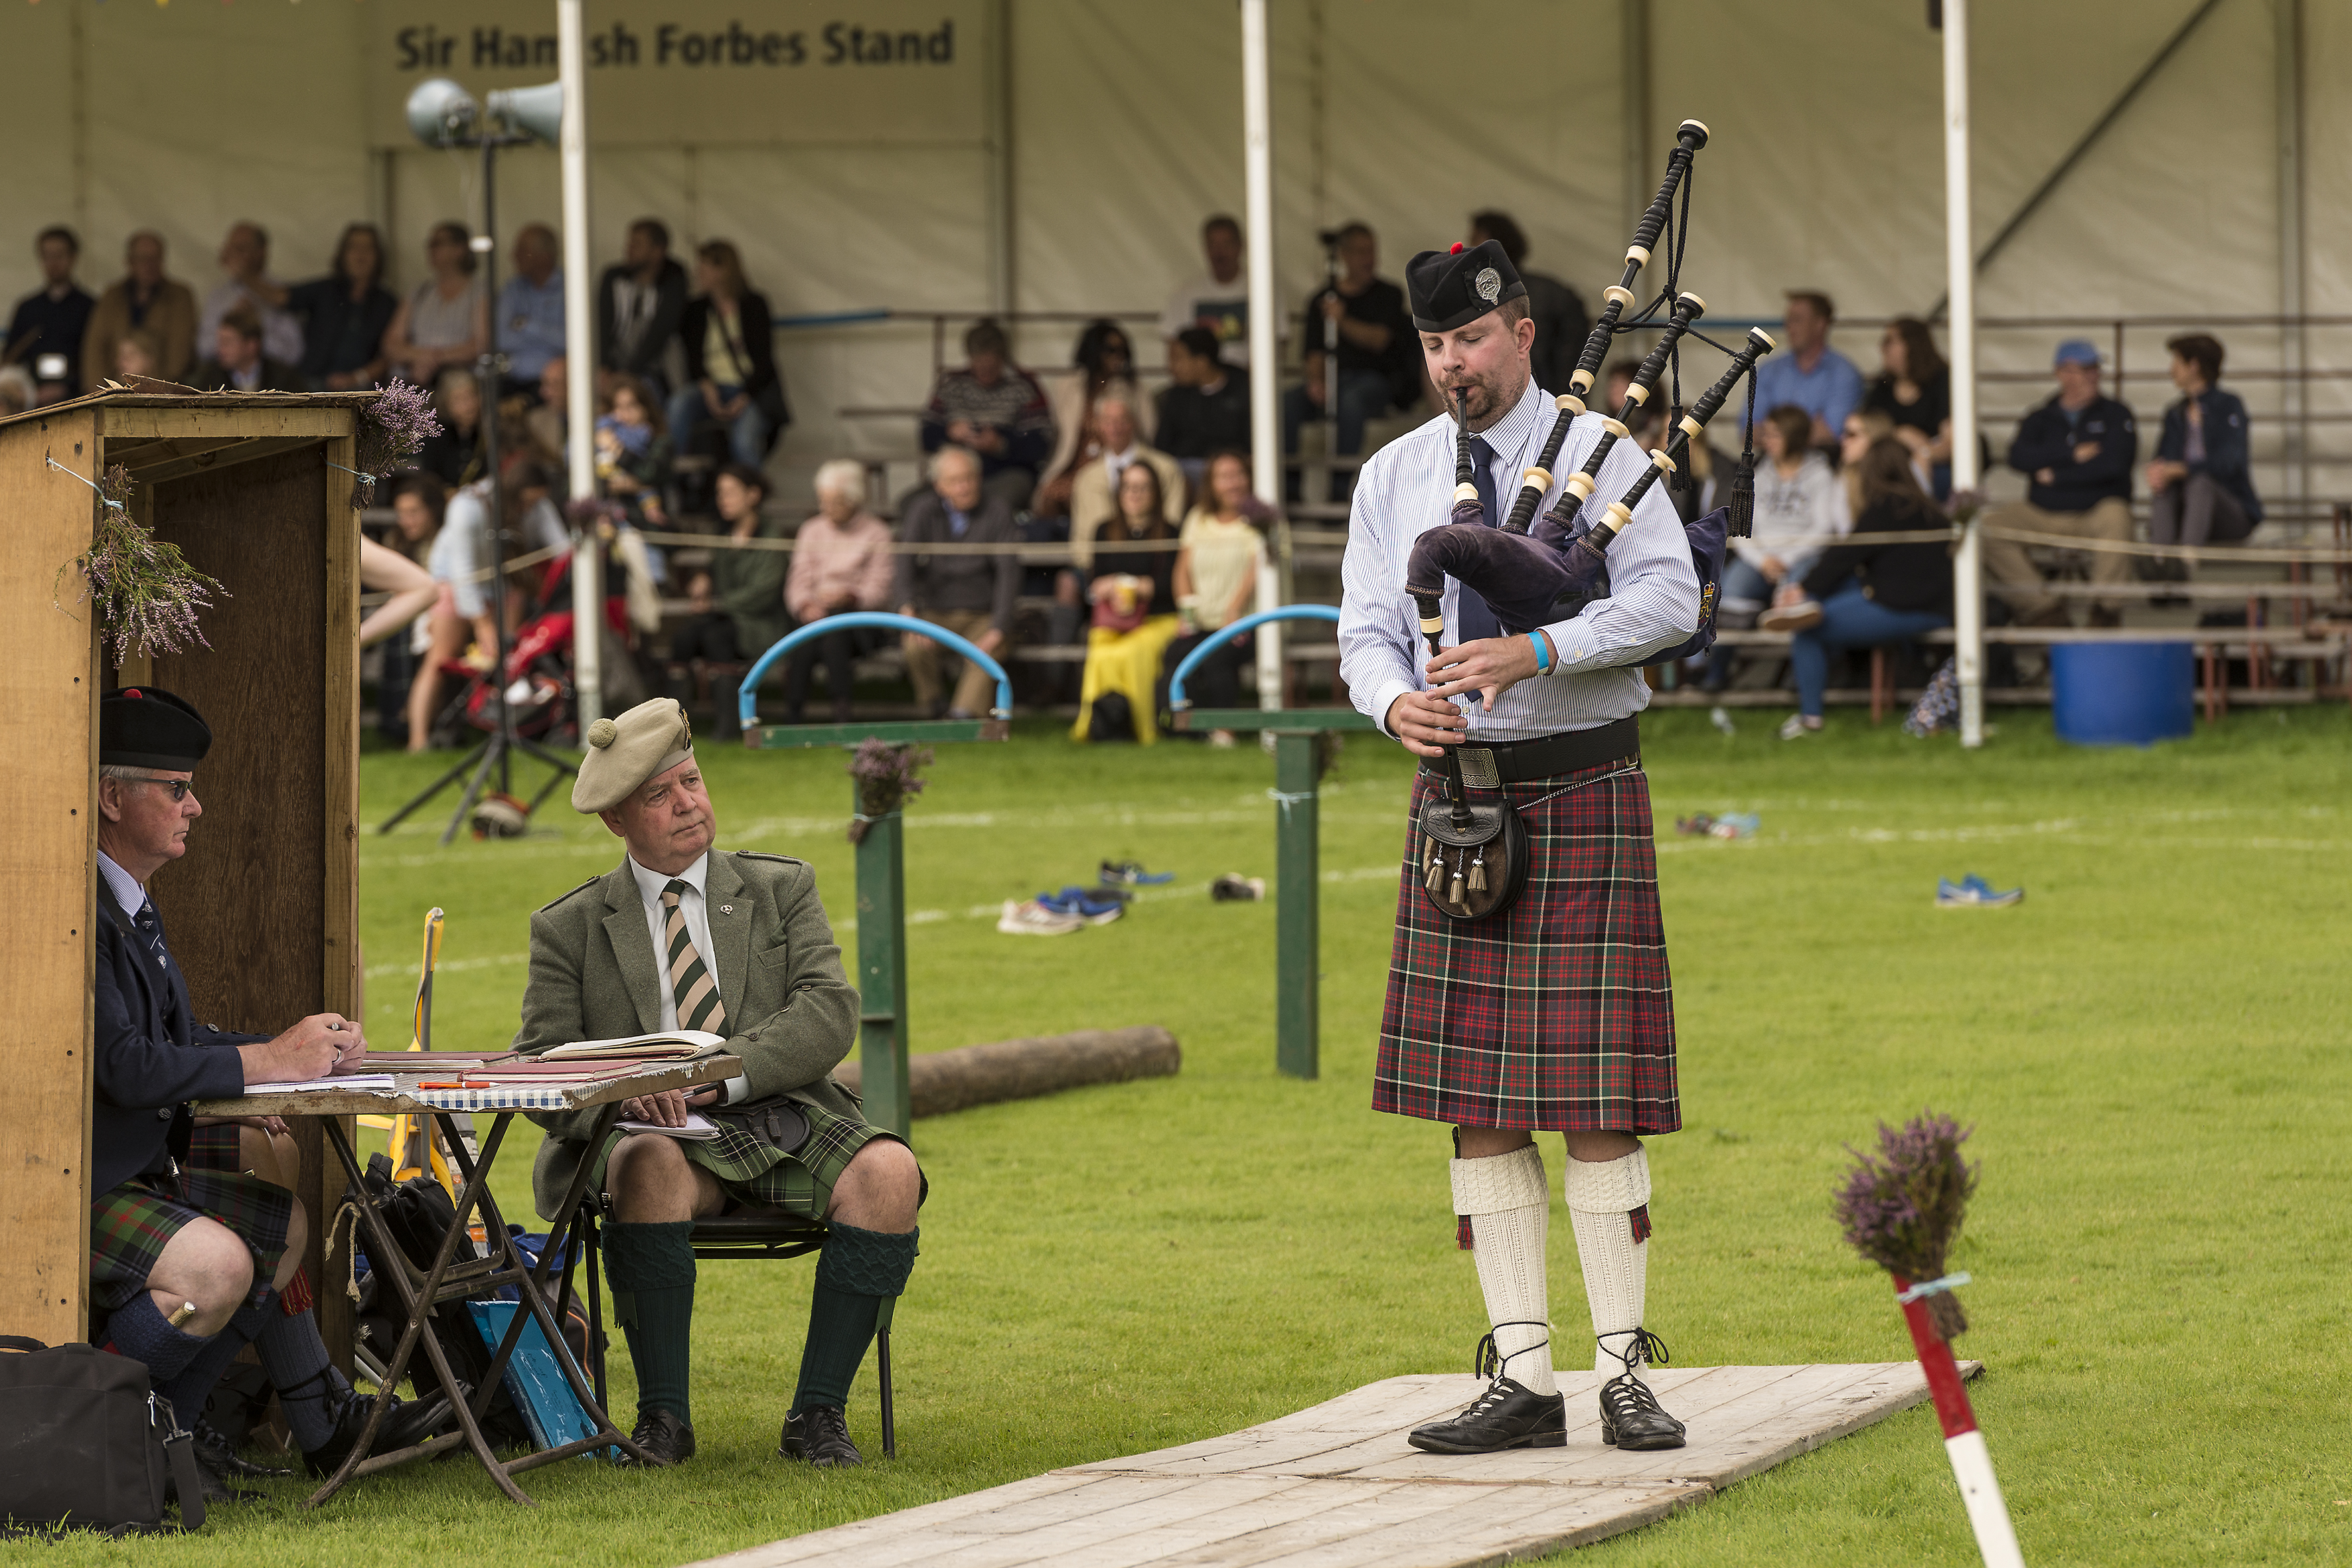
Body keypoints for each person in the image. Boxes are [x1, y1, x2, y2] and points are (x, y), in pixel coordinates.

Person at [1338, 238, 1695, 1458]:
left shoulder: (1606, 459)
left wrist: (1534, 652)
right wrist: (1394, 705)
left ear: (1523, 332)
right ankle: (1521, 1376)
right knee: (1477, 1107)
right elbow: (1362, 632)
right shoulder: (1393, 476)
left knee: (1597, 1103)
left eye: (1471, 343)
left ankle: (1624, 1372)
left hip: (1581, 782)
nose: (1453, 367)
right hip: (1459, 800)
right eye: (1435, 347)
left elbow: (1667, 602)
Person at [517, 698, 923, 1469]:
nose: (687, 804)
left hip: (780, 1115)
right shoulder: (568, 926)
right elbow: (540, 1061)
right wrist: (624, 1092)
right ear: (616, 821)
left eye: (692, 780)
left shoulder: (781, 888)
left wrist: (717, 1075)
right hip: (652, 1137)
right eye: (660, 795)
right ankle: (664, 1419)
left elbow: (830, 1010)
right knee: (645, 1161)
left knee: (891, 1171)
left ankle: (819, 1415)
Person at [87, 687, 452, 1498]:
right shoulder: (82, 909)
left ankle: (181, 1440)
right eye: (176, 788)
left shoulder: (126, 900)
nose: (198, 805)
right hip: (76, 1185)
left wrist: (292, 1048)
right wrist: (266, 1063)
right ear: (113, 797)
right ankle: (106, 1432)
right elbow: (121, 1066)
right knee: (217, 1265)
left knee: (282, 1229)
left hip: (127, 1171)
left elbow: (170, 1043)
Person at [1765, 436, 1954, 738]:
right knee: (1822, 601)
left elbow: (1845, 555)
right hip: (1935, 606)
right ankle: (1803, 604)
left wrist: (1802, 589)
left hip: (1909, 607)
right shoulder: (1927, 507)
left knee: (1808, 630)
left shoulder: (1886, 506)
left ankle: (1810, 719)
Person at [1978, 339, 2137, 628]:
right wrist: (2071, 454)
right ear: (2061, 373)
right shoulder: (2040, 417)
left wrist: (2057, 474)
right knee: (1988, 529)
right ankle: (2043, 610)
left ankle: (2105, 610)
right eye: (2083, 370)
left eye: (2095, 369)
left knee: (2118, 516)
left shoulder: (2117, 414)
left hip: (2094, 512)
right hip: (2043, 513)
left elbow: (2115, 465)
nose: (2093, 376)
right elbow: (2018, 456)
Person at [897, 445, 1020, 719]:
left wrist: (998, 628)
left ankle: (962, 716)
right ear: (939, 486)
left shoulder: (998, 511)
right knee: (913, 645)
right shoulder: (922, 510)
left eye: (969, 478)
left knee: (987, 651)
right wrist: (907, 612)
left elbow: (1009, 573)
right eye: (955, 481)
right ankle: (933, 707)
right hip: (935, 613)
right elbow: (903, 561)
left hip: (983, 615)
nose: (964, 487)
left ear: (979, 478)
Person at [1283, 223, 1417, 468]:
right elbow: (1313, 351)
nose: (1369, 259)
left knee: (1350, 402)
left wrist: (1342, 320)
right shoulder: (1321, 300)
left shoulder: (1389, 294)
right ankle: (1289, 486)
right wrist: (1316, 382)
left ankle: (1339, 486)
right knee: (1288, 404)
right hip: (1331, 379)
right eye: (1361, 252)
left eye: (1372, 251)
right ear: (1344, 255)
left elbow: (1380, 340)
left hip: (1374, 381)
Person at [1071, 459, 1184, 744]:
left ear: (1156, 494)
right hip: (1115, 619)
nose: (1135, 494)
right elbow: (1095, 580)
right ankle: (1097, 726)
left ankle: (1142, 728)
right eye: (1129, 488)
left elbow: (1170, 585)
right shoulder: (1104, 531)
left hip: (1158, 619)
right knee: (1100, 650)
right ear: (1119, 493)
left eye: (1143, 488)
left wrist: (1137, 588)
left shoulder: (1171, 532)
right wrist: (1114, 587)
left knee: (1133, 652)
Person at [784, 459, 895, 724]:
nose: (825, 508)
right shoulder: (811, 530)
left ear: (853, 500)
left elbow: (881, 587)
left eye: (834, 502)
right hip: (815, 614)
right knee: (809, 633)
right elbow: (797, 581)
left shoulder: (877, 533)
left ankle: (818, 711)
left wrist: (851, 595)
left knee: (833, 628)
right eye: (823, 500)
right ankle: (812, 711)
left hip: (860, 621)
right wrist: (805, 605)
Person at [1170, 449, 1269, 740]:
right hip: (1201, 620)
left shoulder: (1261, 518)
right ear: (1211, 483)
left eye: (1237, 475)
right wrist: (1186, 613)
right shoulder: (1197, 518)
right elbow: (1181, 569)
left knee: (1216, 659)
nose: (1232, 483)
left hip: (1245, 625)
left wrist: (1233, 612)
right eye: (1224, 477)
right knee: (1174, 654)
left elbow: (1259, 568)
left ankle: (1225, 730)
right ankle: (1183, 731)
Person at [670, 240, 784, 471]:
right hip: (710, 387)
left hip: (749, 389)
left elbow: (764, 360)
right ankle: (671, 473)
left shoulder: (754, 305)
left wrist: (744, 396)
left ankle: (751, 494)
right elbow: (691, 358)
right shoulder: (695, 310)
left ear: (723, 270)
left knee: (744, 442)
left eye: (704, 267)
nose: (698, 273)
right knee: (679, 405)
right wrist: (706, 387)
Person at [919, 318, 1054, 512]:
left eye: (991, 365)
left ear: (1003, 358)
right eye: (979, 364)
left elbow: (1040, 444)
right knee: (916, 505)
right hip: (956, 473)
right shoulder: (952, 385)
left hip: (1005, 473)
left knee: (995, 505)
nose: (985, 371)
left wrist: (1001, 444)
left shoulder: (1024, 386)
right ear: (970, 357)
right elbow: (925, 436)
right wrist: (950, 433)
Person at [2147, 333, 2261, 559]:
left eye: (2177, 362)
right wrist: (2159, 472)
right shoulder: (2176, 413)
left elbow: (2230, 462)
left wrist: (2184, 469)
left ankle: (2185, 566)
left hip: (2228, 513)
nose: (2171, 370)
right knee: (2164, 488)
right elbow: (2165, 459)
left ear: (2194, 366)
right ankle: (2159, 564)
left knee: (2201, 483)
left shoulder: (2228, 406)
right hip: (2186, 511)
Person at [1035, 318, 1148, 519]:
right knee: (1049, 498)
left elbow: (1148, 434)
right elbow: (1057, 433)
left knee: (1090, 493)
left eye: (1123, 351)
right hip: (1073, 464)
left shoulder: (1134, 389)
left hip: (1116, 467)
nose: (1118, 357)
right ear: (1094, 350)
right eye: (1111, 350)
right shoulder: (1069, 386)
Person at [1468, 210, 1588, 398]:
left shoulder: (1493, 295)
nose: (1470, 248)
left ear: (1491, 245)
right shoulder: (1552, 291)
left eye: (1475, 240)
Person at [1069, 391, 1187, 574]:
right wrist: (1095, 573)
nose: (1115, 428)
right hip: (1100, 571)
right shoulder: (1086, 478)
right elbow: (1081, 536)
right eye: (1108, 421)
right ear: (1098, 425)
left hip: (1153, 569)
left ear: (1134, 422)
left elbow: (1171, 525)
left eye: (1122, 420)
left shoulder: (1166, 468)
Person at [287, 223, 396, 392]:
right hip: (311, 384)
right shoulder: (324, 290)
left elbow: (390, 356)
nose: (361, 255)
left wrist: (356, 378)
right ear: (343, 254)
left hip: (362, 390)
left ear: (378, 256)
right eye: (354, 248)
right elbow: (282, 297)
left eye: (368, 249)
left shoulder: (388, 303)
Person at [1750, 291, 1863, 451]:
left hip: (1825, 465)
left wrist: (1773, 432)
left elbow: (1831, 434)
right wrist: (1809, 429)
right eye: (1788, 321)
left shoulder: (1844, 374)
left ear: (1820, 325)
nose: (1789, 327)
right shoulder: (1770, 370)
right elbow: (1749, 433)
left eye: (1797, 320)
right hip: (1770, 467)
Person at [84, 231, 199, 386]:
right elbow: (95, 350)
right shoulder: (112, 297)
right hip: (115, 387)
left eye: (155, 259)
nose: (149, 265)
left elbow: (180, 351)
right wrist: (98, 392)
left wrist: (160, 390)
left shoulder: (179, 296)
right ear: (130, 261)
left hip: (163, 388)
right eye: (143, 259)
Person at [381, 221, 489, 386]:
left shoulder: (479, 292)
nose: (430, 250)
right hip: (415, 377)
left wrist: (435, 359)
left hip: (459, 380)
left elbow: (481, 345)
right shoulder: (419, 292)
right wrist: (421, 358)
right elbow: (391, 344)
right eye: (430, 244)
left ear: (459, 249)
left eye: (437, 244)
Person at [1159, 213, 1271, 368]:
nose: (1220, 253)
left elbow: (1278, 344)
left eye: (1226, 245)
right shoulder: (1184, 293)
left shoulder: (1264, 290)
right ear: (1205, 248)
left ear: (1241, 246)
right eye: (1213, 245)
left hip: (1248, 384)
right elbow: (1173, 346)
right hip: (1198, 386)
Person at [597, 218, 689, 398]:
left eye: (637, 244)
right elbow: (604, 325)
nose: (629, 249)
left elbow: (661, 330)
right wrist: (605, 367)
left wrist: (629, 374)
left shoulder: (674, 278)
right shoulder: (614, 278)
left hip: (653, 368)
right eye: (629, 242)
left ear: (658, 251)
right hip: (614, 365)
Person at [1861, 317, 1953, 499]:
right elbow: (1868, 428)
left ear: (1912, 345)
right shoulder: (1884, 384)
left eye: (1890, 341)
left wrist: (1925, 452)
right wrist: (1899, 435)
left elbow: (1951, 442)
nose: (1882, 348)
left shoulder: (1941, 381)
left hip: (1934, 463)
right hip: (1890, 463)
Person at [6, 226, 97, 399]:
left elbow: (96, 358)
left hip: (79, 399)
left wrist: (69, 387)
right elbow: (12, 360)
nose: (53, 263)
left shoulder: (90, 308)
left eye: (59, 256)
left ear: (73, 257)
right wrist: (29, 391)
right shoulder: (27, 308)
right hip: (32, 401)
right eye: (47, 256)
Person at [196, 222, 303, 370]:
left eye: (241, 249)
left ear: (261, 252)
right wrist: (232, 327)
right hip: (225, 381)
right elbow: (203, 349)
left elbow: (293, 354)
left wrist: (254, 326)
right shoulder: (218, 296)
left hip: (271, 382)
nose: (234, 256)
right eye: (230, 249)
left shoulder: (281, 294)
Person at [1155, 326, 1252, 483]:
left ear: (1202, 362)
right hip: (1185, 473)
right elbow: (1162, 449)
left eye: (1178, 359)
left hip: (1232, 471)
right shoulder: (1175, 395)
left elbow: (1252, 446)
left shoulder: (1243, 388)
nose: (1172, 368)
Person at [496, 224, 567, 394]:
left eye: (522, 251)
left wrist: (527, 325)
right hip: (511, 380)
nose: (513, 256)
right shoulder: (513, 288)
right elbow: (500, 339)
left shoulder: (570, 288)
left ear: (544, 256)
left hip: (553, 384)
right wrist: (548, 337)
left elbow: (570, 342)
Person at [596, 374, 673, 528]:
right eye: (618, 407)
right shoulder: (602, 433)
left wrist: (615, 449)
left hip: (647, 526)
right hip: (609, 522)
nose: (625, 415)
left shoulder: (660, 441)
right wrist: (609, 484)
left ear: (645, 408)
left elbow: (649, 473)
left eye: (632, 406)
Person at [190, 308, 309, 393]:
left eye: (227, 342)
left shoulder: (284, 379)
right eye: (220, 342)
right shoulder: (208, 378)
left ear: (251, 345)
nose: (220, 349)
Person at [416, 366, 483, 489]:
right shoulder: (435, 436)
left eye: (471, 397)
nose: (469, 406)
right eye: (459, 400)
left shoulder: (489, 431)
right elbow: (430, 478)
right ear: (446, 404)